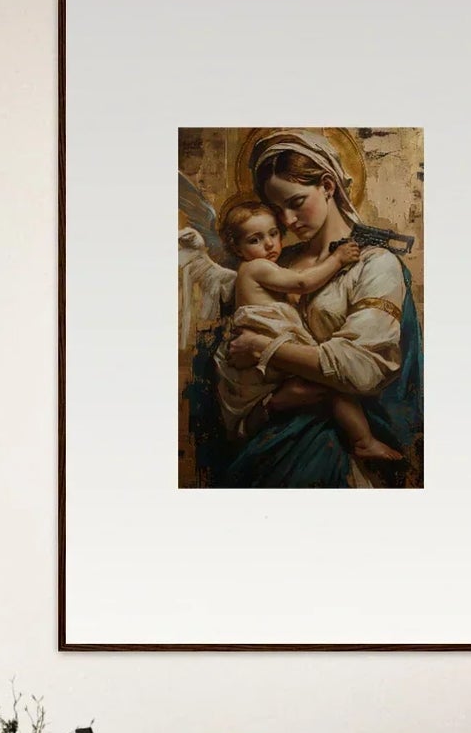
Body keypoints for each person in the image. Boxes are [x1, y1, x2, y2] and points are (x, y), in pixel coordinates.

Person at [178, 130, 424, 489]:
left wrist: (266, 350)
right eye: (277, 211)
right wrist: (274, 403)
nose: (288, 221)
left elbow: (362, 369)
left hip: (330, 454)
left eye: (296, 202)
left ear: (327, 185)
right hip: (266, 443)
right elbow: (234, 361)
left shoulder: (375, 265)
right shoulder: (276, 263)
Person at [215, 195, 402, 464]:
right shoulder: (257, 267)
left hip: (271, 348)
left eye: (273, 234)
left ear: (327, 187)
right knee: (328, 384)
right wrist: (337, 259)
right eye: (255, 240)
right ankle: (364, 441)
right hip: (268, 347)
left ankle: (363, 441)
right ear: (237, 246)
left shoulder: (377, 263)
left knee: (325, 385)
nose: (269, 244)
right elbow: (303, 283)